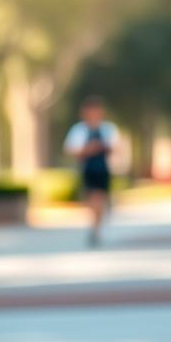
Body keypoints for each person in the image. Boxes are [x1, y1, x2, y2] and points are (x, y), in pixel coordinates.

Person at [63, 96, 119, 247]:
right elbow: (70, 149)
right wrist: (88, 149)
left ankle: (96, 227)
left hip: (103, 169)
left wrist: (102, 147)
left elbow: (115, 147)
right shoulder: (79, 130)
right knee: (91, 198)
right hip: (87, 169)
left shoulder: (108, 129)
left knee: (99, 198)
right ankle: (95, 225)